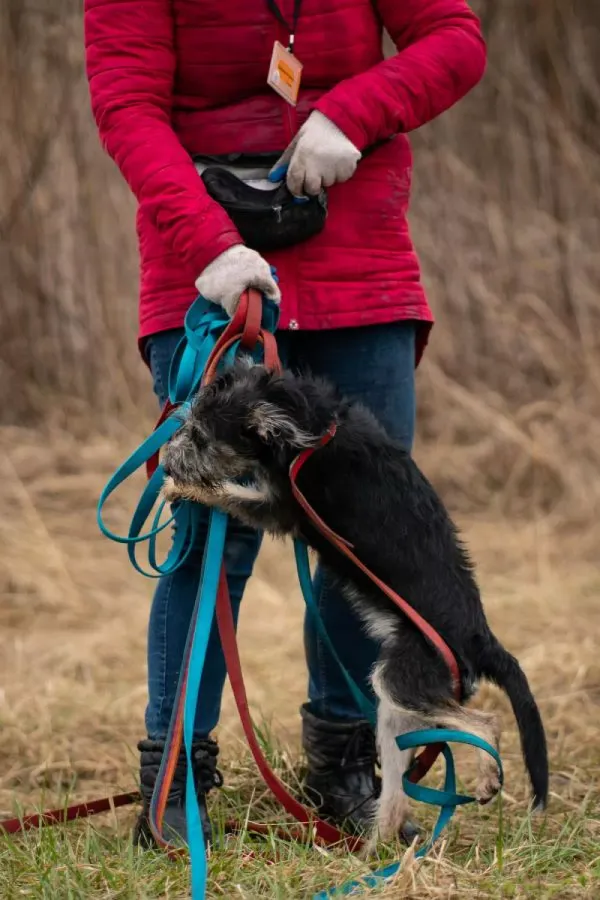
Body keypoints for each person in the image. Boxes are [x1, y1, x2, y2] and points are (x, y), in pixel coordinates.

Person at [84, 0, 486, 846]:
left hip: (362, 269)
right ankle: (176, 776)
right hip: (209, 271)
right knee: (207, 532)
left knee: (362, 533)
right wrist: (209, 248)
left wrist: (352, 110)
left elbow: (454, 41)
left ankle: (345, 757)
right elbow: (127, 107)